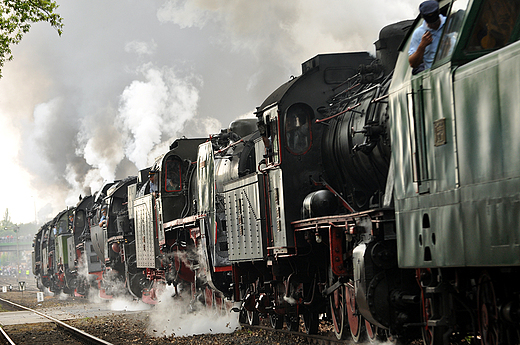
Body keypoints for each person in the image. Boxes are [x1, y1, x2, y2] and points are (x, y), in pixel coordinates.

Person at [408, 0, 446, 74]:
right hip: (434, 74)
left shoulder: (451, 21)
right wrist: (422, 46)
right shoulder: (418, 33)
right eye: (430, 23)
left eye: (435, 22)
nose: (434, 25)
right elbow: (413, 63)